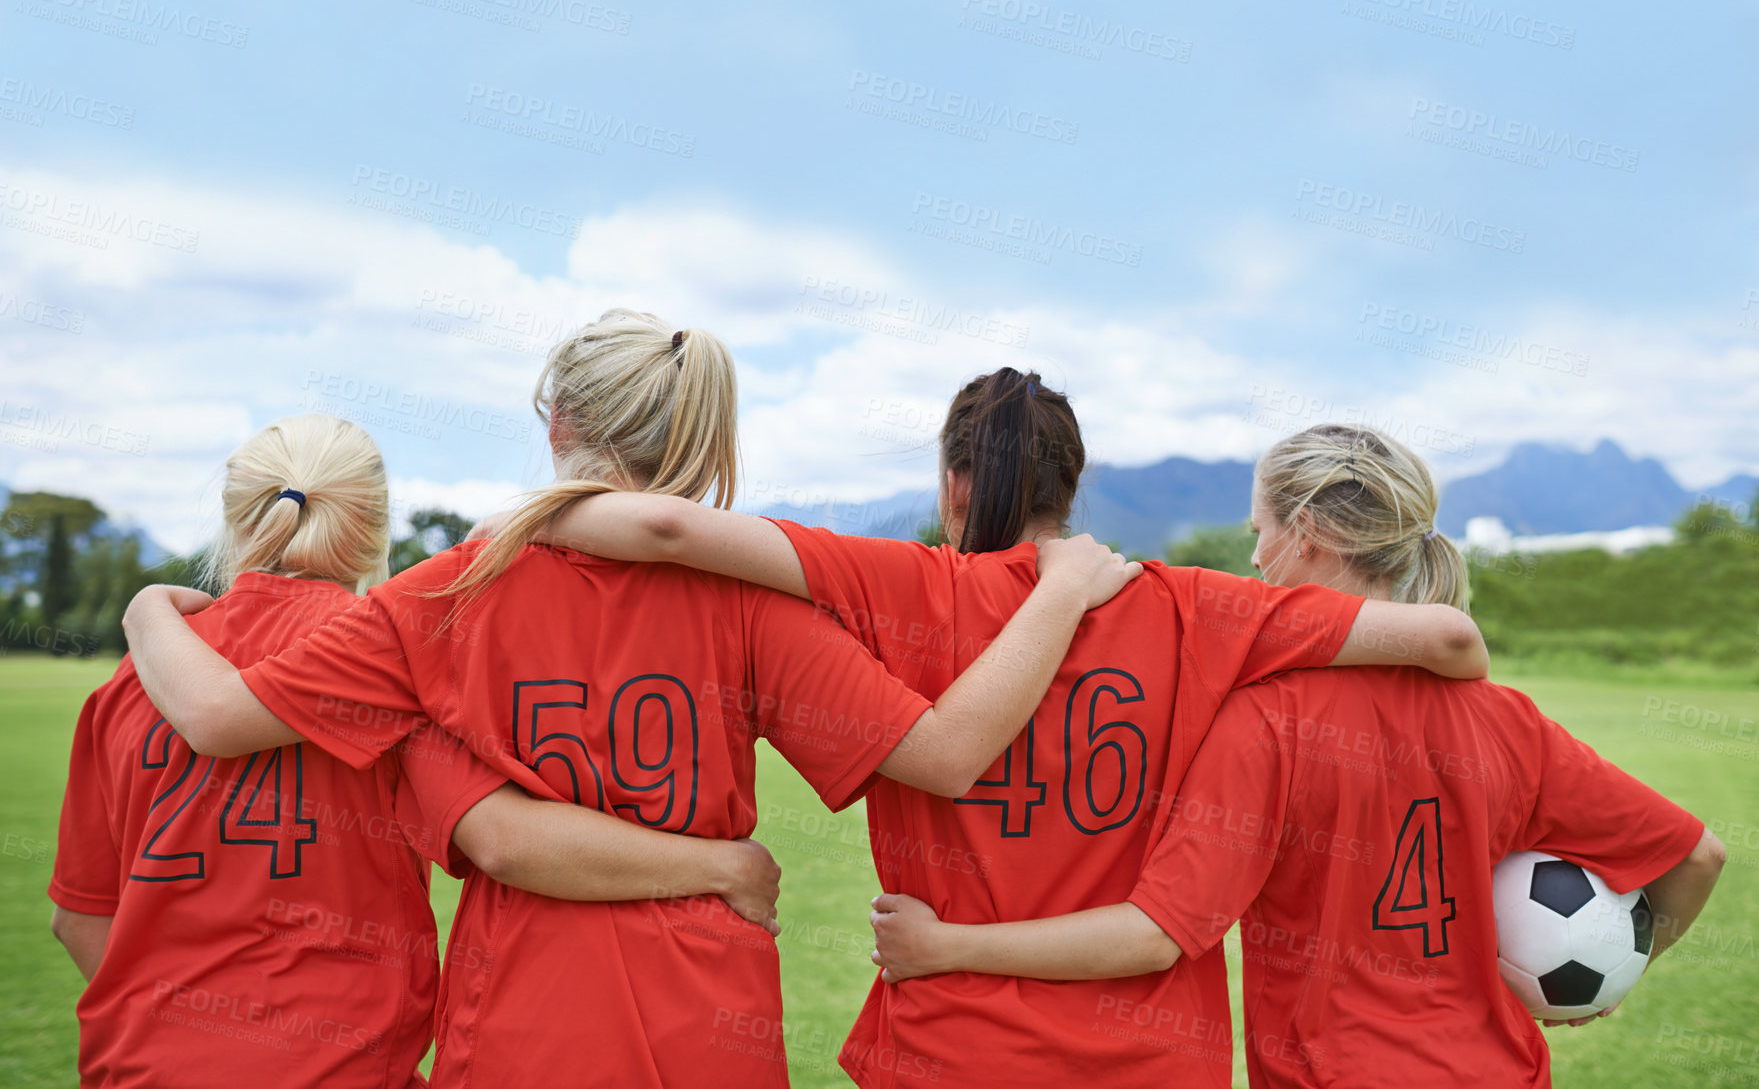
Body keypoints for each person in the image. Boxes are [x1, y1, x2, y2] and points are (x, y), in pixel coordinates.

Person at [117, 315, 1139, 1089]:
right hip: (709, 1018)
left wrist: (149, 609)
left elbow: (215, 718)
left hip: (522, 1020)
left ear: (557, 422)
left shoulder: (443, 592)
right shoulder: (740, 602)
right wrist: (1055, 594)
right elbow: (947, 752)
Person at [500, 370, 1492, 1088]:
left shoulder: (893, 584)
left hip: (951, 1048)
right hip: (1152, 1059)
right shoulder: (1199, 606)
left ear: (954, 485)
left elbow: (667, 529)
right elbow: (1447, 637)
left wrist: (525, 522)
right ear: (1074, 479)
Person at [865, 423, 1728, 1089]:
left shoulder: (1264, 720)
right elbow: (1696, 855)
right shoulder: (1508, 720)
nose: (1251, 557)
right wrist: (1613, 969)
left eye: (1259, 530)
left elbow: (1155, 933)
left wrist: (949, 945)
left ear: (1309, 531)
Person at [49, 414, 785, 1089]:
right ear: (373, 526)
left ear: (234, 520)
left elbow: (80, 919)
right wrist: (721, 863)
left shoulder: (129, 682)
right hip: (337, 1066)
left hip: (137, 1066)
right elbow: (502, 837)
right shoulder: (391, 657)